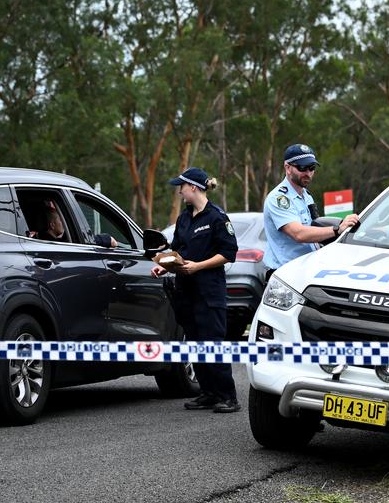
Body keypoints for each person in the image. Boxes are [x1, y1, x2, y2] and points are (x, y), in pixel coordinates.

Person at [149, 167, 240, 413]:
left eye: (182, 187)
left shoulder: (217, 217)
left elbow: (228, 253)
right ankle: (208, 393)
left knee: (213, 343)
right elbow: (177, 250)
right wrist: (163, 266)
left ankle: (228, 396)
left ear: (193, 187)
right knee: (195, 342)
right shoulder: (184, 219)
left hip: (209, 292)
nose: (179, 192)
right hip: (186, 292)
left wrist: (199, 266)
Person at [262, 143, 360, 277]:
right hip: (284, 273)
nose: (308, 173)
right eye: (302, 168)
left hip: (305, 270)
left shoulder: (306, 196)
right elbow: (298, 234)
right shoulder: (279, 199)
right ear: (288, 168)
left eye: (312, 168)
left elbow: (315, 226)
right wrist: (337, 229)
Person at [28, 198, 117, 247]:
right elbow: (112, 242)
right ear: (52, 225)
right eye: (60, 220)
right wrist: (106, 239)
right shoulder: (60, 244)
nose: (63, 223)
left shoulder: (35, 240)